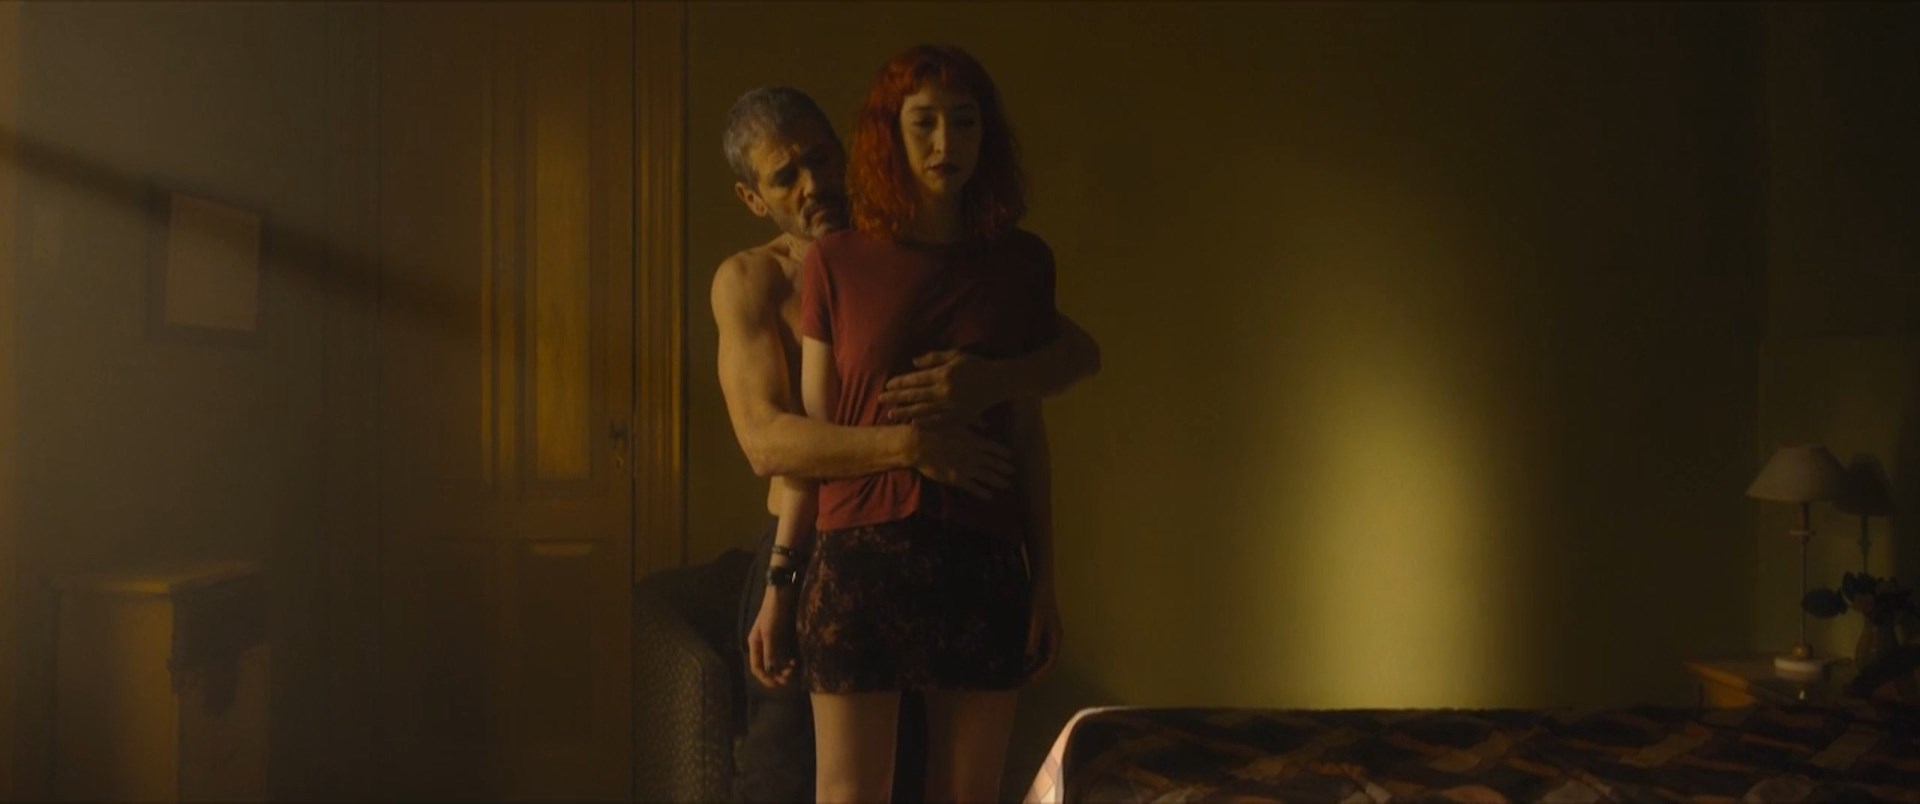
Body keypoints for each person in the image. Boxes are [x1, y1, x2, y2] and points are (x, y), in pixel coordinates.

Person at [712, 85, 1099, 802]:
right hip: (806, 551)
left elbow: (1074, 354)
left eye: (820, 159)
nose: (813, 185)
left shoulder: (912, 251)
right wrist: (911, 445)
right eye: (785, 176)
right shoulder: (752, 280)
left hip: (934, 541)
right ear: (752, 197)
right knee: (783, 783)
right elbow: (769, 445)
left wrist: (992, 379)